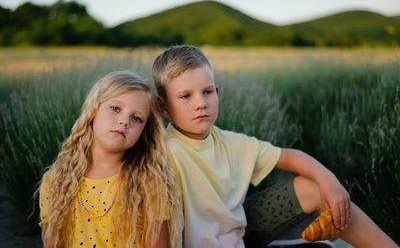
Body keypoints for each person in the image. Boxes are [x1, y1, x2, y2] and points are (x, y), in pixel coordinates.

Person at [151, 45, 399, 248]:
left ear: (217, 92)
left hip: (238, 235)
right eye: (186, 96)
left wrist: (330, 180)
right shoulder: (161, 152)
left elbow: (290, 157)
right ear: (163, 107)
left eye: (207, 92)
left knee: (315, 187)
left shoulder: (231, 142)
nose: (200, 104)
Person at [38, 71, 183, 248]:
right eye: (115, 109)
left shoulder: (149, 184)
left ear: (144, 132)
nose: (124, 121)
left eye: (137, 118)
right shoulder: (56, 182)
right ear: (93, 111)